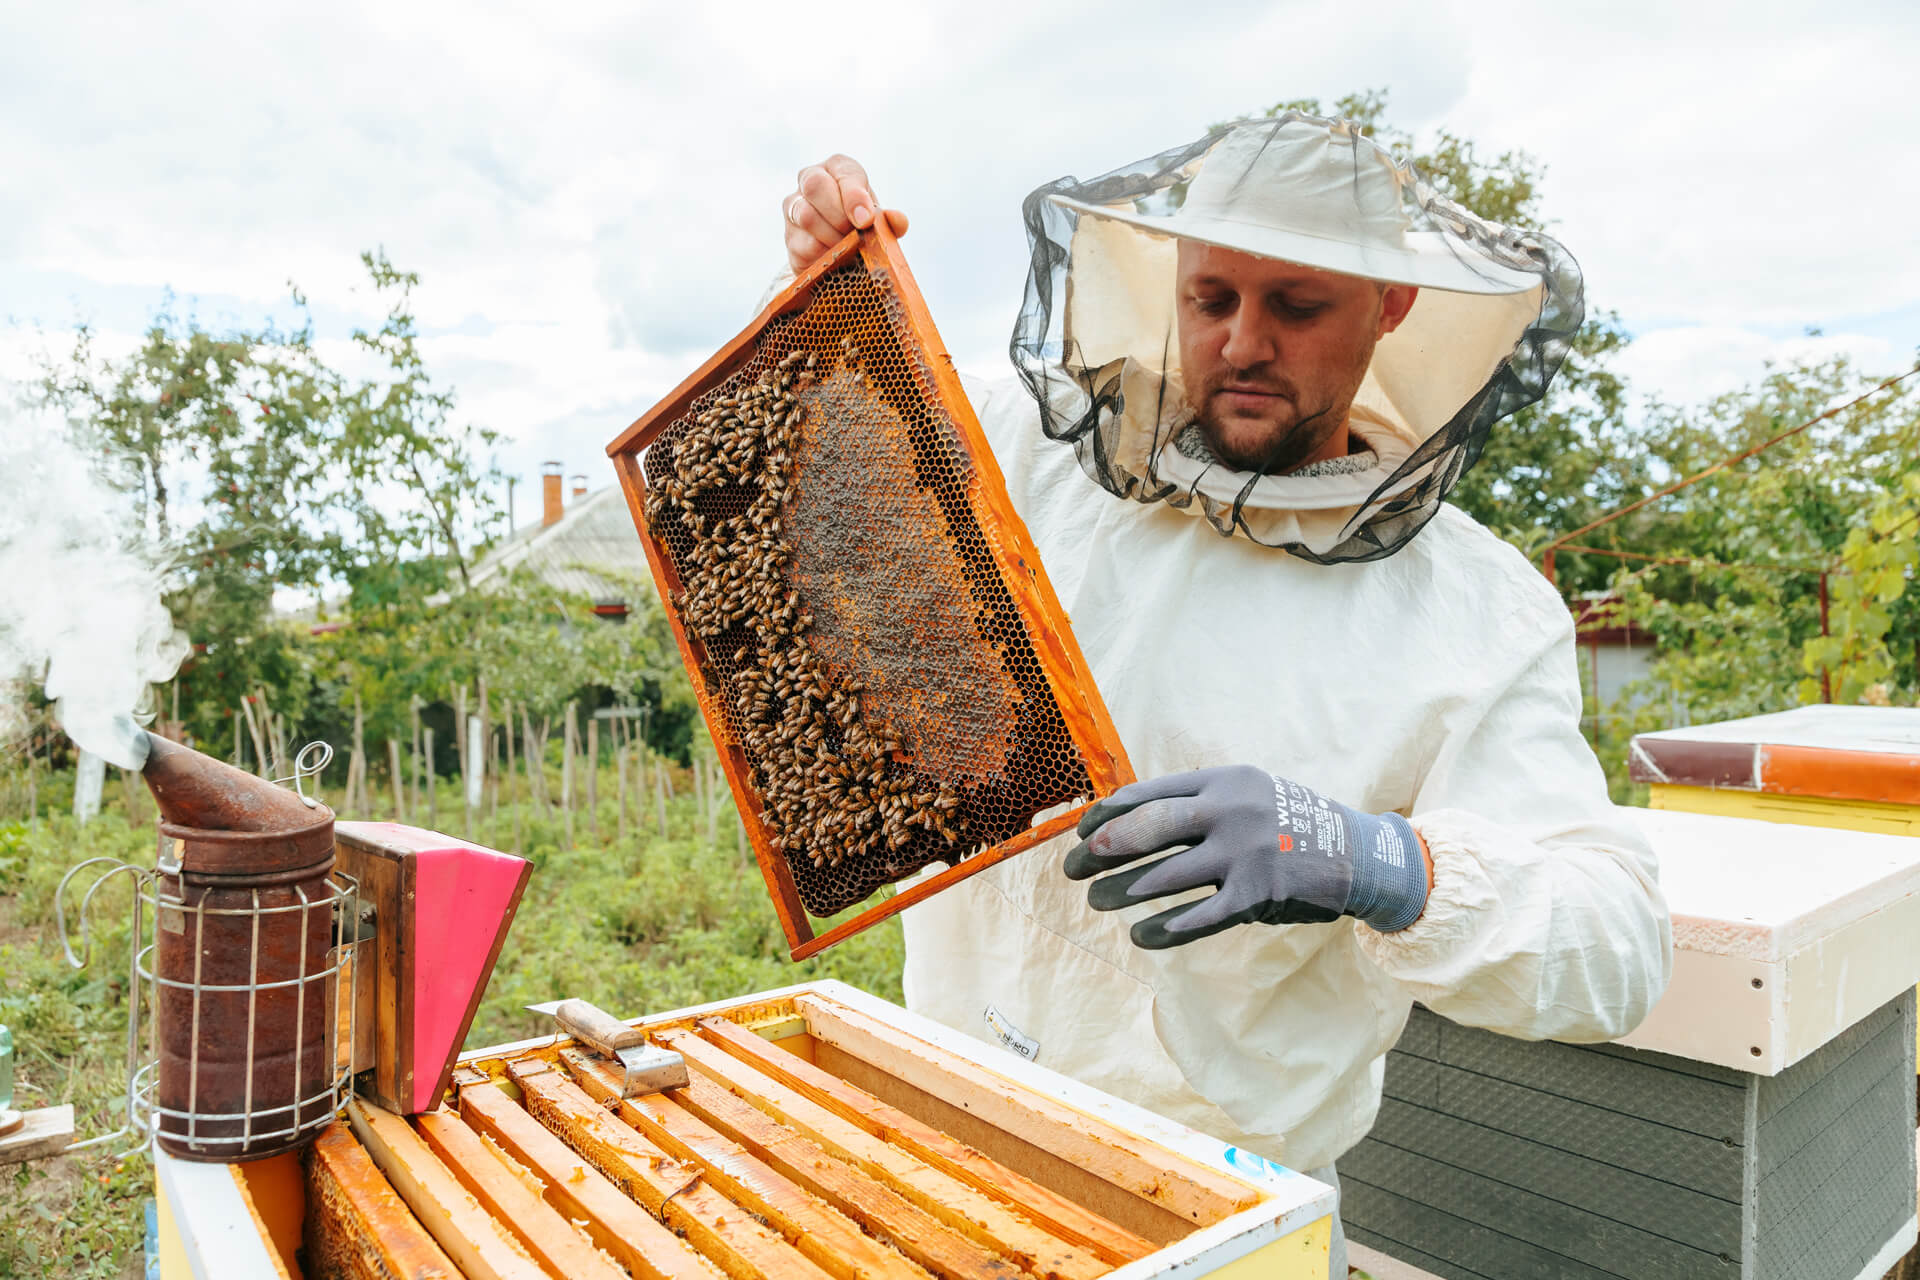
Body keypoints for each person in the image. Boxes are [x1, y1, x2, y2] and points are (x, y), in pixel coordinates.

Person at [777, 113, 1672, 1276]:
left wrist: (1376, 859)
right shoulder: (1041, 458)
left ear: (1390, 308)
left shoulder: (1475, 613)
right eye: (1212, 300)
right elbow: (836, 521)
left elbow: (1615, 942)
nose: (1244, 342)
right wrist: (827, 301)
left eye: (1296, 306)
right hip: (943, 1122)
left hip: (1222, 1201)